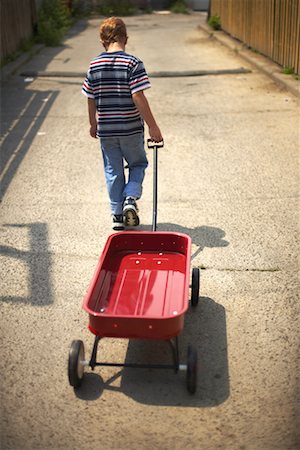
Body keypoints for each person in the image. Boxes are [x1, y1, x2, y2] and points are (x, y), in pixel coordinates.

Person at [82, 17, 163, 230]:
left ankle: (117, 215)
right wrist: (153, 127)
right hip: (130, 129)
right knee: (138, 164)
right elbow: (138, 97)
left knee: (113, 170)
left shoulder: (94, 65)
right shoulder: (133, 63)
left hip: (107, 130)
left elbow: (90, 98)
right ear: (125, 38)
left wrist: (93, 123)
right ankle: (130, 198)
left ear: (102, 42)